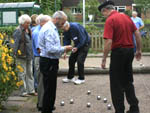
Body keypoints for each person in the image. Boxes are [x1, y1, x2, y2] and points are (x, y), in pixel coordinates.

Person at [98, 1, 142, 113]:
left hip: (118, 53)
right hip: (129, 52)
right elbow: (137, 33)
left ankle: (119, 110)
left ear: (105, 10)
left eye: (103, 13)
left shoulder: (110, 20)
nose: (104, 16)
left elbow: (109, 41)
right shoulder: (127, 17)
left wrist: (104, 59)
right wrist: (139, 50)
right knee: (128, 80)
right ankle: (134, 108)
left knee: (116, 84)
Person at [38, 11, 72, 113]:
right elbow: (50, 49)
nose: (63, 24)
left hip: (49, 61)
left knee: (50, 88)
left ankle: (48, 109)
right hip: (48, 62)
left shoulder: (52, 28)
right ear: (57, 19)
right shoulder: (49, 29)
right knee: (49, 89)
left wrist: (61, 51)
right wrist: (64, 48)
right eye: (63, 21)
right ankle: (46, 110)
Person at [13, 14, 36, 97]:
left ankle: (31, 90)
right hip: (21, 55)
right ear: (22, 23)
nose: (28, 25)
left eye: (29, 23)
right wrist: (15, 54)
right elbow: (15, 44)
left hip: (29, 55)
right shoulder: (18, 30)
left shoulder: (29, 30)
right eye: (27, 23)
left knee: (30, 73)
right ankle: (23, 92)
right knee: (22, 74)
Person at [32, 14, 51, 111]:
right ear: (42, 22)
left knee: (44, 82)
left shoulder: (40, 30)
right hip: (39, 58)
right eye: (48, 22)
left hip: (41, 58)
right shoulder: (37, 32)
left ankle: (43, 102)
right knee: (41, 82)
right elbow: (39, 49)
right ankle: (41, 104)